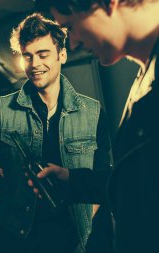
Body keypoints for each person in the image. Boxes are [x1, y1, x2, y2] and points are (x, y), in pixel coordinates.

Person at [0, 13, 112, 253]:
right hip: (13, 238)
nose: (34, 65)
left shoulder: (94, 113)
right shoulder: (0, 109)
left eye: (43, 55)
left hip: (73, 240)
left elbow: (104, 179)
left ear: (61, 54)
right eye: (27, 56)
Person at [31, 1, 159, 253]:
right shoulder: (145, 74)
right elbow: (139, 185)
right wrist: (72, 180)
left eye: (71, 27)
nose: (75, 42)